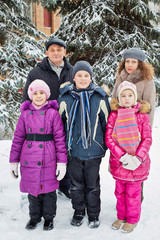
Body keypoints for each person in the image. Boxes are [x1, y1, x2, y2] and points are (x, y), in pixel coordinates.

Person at [58, 61, 110, 228]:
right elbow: (60, 125)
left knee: (93, 185)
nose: (82, 78)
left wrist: (103, 144)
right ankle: (79, 210)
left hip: (94, 150)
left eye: (86, 75)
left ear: (91, 77)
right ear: (74, 77)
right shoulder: (65, 97)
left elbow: (107, 124)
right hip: (73, 150)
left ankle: (94, 213)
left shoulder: (99, 97)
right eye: (79, 75)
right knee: (76, 185)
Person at [9, 79, 67, 230]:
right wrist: (14, 161)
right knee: (32, 190)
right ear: (30, 95)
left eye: (42, 93)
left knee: (48, 191)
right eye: (35, 93)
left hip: (49, 156)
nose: (39, 96)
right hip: (29, 157)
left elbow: (60, 139)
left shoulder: (53, 114)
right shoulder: (25, 115)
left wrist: (62, 162)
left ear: (47, 95)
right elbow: (18, 139)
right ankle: (34, 217)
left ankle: (49, 218)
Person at [22, 38, 73, 199]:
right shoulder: (36, 73)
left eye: (59, 49)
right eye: (52, 50)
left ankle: (66, 184)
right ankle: (48, 184)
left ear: (65, 52)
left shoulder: (73, 71)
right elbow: (26, 100)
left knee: (67, 152)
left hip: (69, 120)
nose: (56, 53)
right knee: (48, 154)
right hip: (45, 122)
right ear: (47, 53)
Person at [105, 81, 152, 233]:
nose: (126, 98)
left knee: (133, 193)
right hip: (120, 163)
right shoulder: (114, 115)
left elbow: (147, 139)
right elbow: (109, 138)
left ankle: (132, 219)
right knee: (120, 192)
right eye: (123, 95)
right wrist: (123, 156)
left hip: (137, 163)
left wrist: (137, 158)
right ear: (119, 98)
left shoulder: (142, 116)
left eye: (130, 95)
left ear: (135, 97)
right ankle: (121, 216)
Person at [112, 47, 155, 127]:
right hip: (120, 126)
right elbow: (114, 102)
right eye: (127, 61)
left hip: (138, 127)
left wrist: (147, 131)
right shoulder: (120, 77)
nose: (129, 65)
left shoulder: (147, 80)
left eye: (133, 62)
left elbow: (150, 108)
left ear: (139, 63)